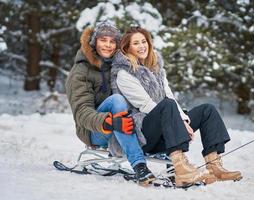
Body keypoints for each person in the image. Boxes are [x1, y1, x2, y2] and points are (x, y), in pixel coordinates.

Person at [111, 26, 242, 187]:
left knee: (207, 110)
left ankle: (214, 165)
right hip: (145, 133)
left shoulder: (156, 68)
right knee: (167, 105)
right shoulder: (125, 74)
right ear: (127, 48)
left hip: (168, 125)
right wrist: (179, 123)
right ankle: (181, 170)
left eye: (144, 41)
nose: (142, 46)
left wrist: (184, 121)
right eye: (136, 43)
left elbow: (169, 96)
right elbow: (145, 105)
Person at [65, 22, 155, 185]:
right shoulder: (80, 72)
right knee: (117, 100)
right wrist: (110, 122)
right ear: (94, 42)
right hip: (93, 130)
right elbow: (81, 113)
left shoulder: (116, 65)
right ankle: (139, 165)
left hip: (122, 124)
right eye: (103, 40)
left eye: (112, 41)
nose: (108, 45)